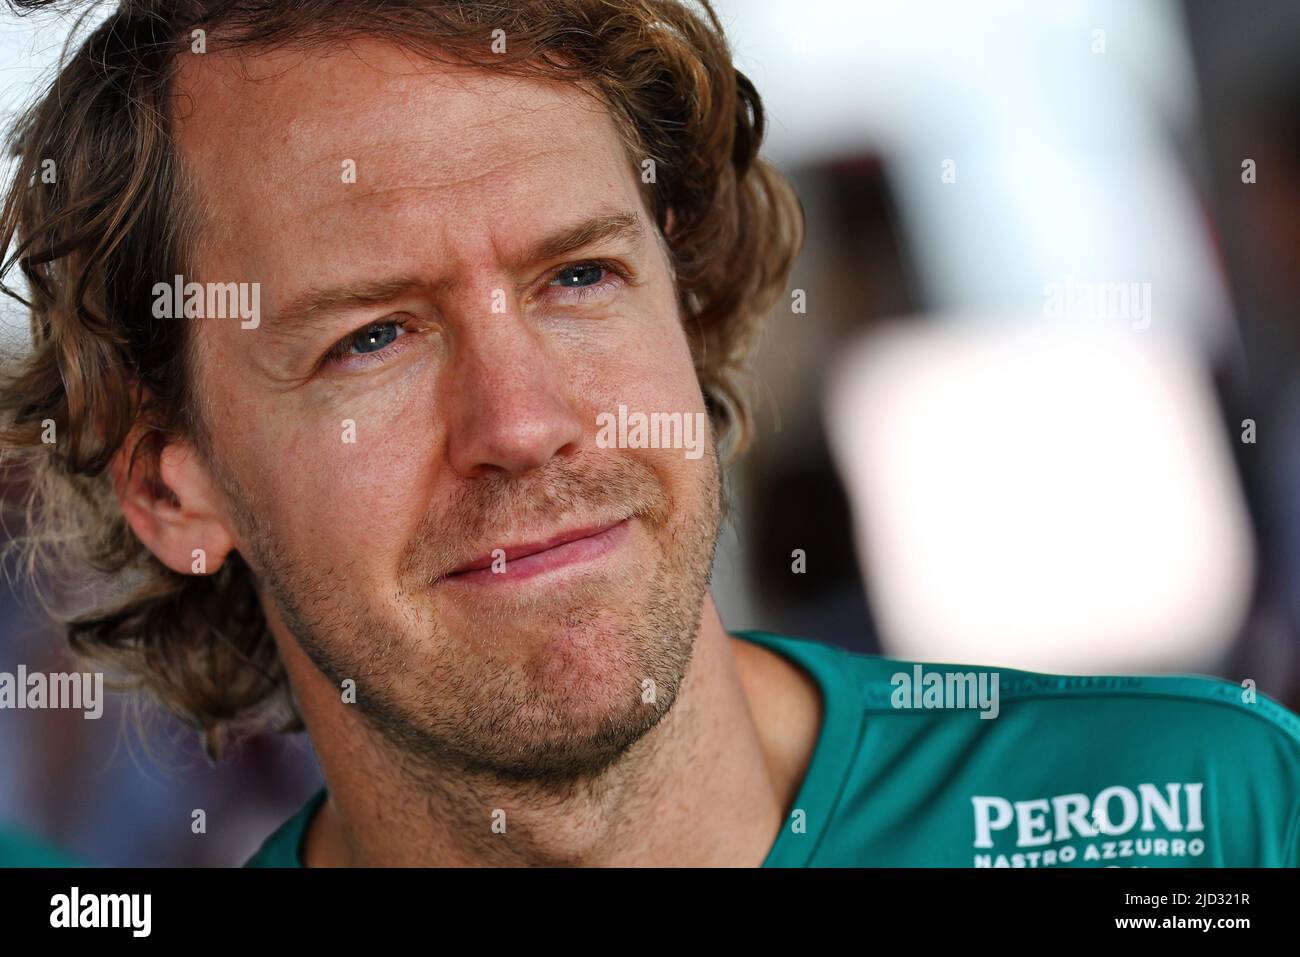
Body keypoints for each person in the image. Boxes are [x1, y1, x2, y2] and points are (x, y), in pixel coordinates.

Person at [1, 0, 1296, 868]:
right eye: (370, 339)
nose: (523, 424)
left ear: (687, 303)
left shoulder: (1199, 815)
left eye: (578, 277)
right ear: (173, 487)